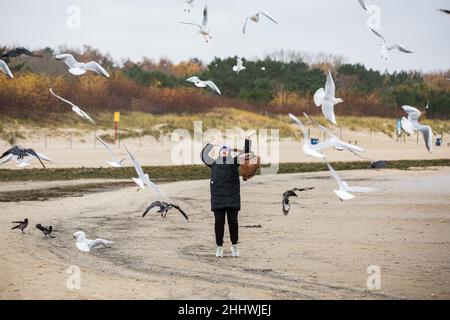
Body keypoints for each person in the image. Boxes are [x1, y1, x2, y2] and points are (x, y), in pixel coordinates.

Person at [201, 141, 242, 258]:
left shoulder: (235, 162)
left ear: (229, 153)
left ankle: (234, 245)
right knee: (219, 223)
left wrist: (247, 142)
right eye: (222, 150)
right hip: (218, 198)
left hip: (232, 197)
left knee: (233, 223)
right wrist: (211, 145)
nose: (224, 151)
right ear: (219, 153)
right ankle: (219, 247)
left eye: (226, 150)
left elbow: (247, 154)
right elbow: (203, 156)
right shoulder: (213, 163)